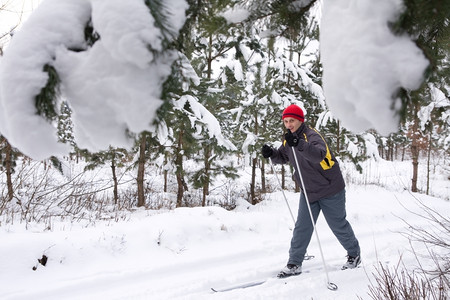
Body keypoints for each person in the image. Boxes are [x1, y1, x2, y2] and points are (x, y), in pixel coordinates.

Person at [261, 104, 361, 278]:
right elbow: (284, 157)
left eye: (292, 120)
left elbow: (319, 155)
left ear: (300, 120)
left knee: (337, 224)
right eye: (286, 121)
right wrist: (272, 154)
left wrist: (299, 144)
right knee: (302, 227)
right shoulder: (289, 139)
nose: (289, 124)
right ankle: (294, 263)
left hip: (330, 188)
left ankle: (354, 254)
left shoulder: (312, 136)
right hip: (309, 191)